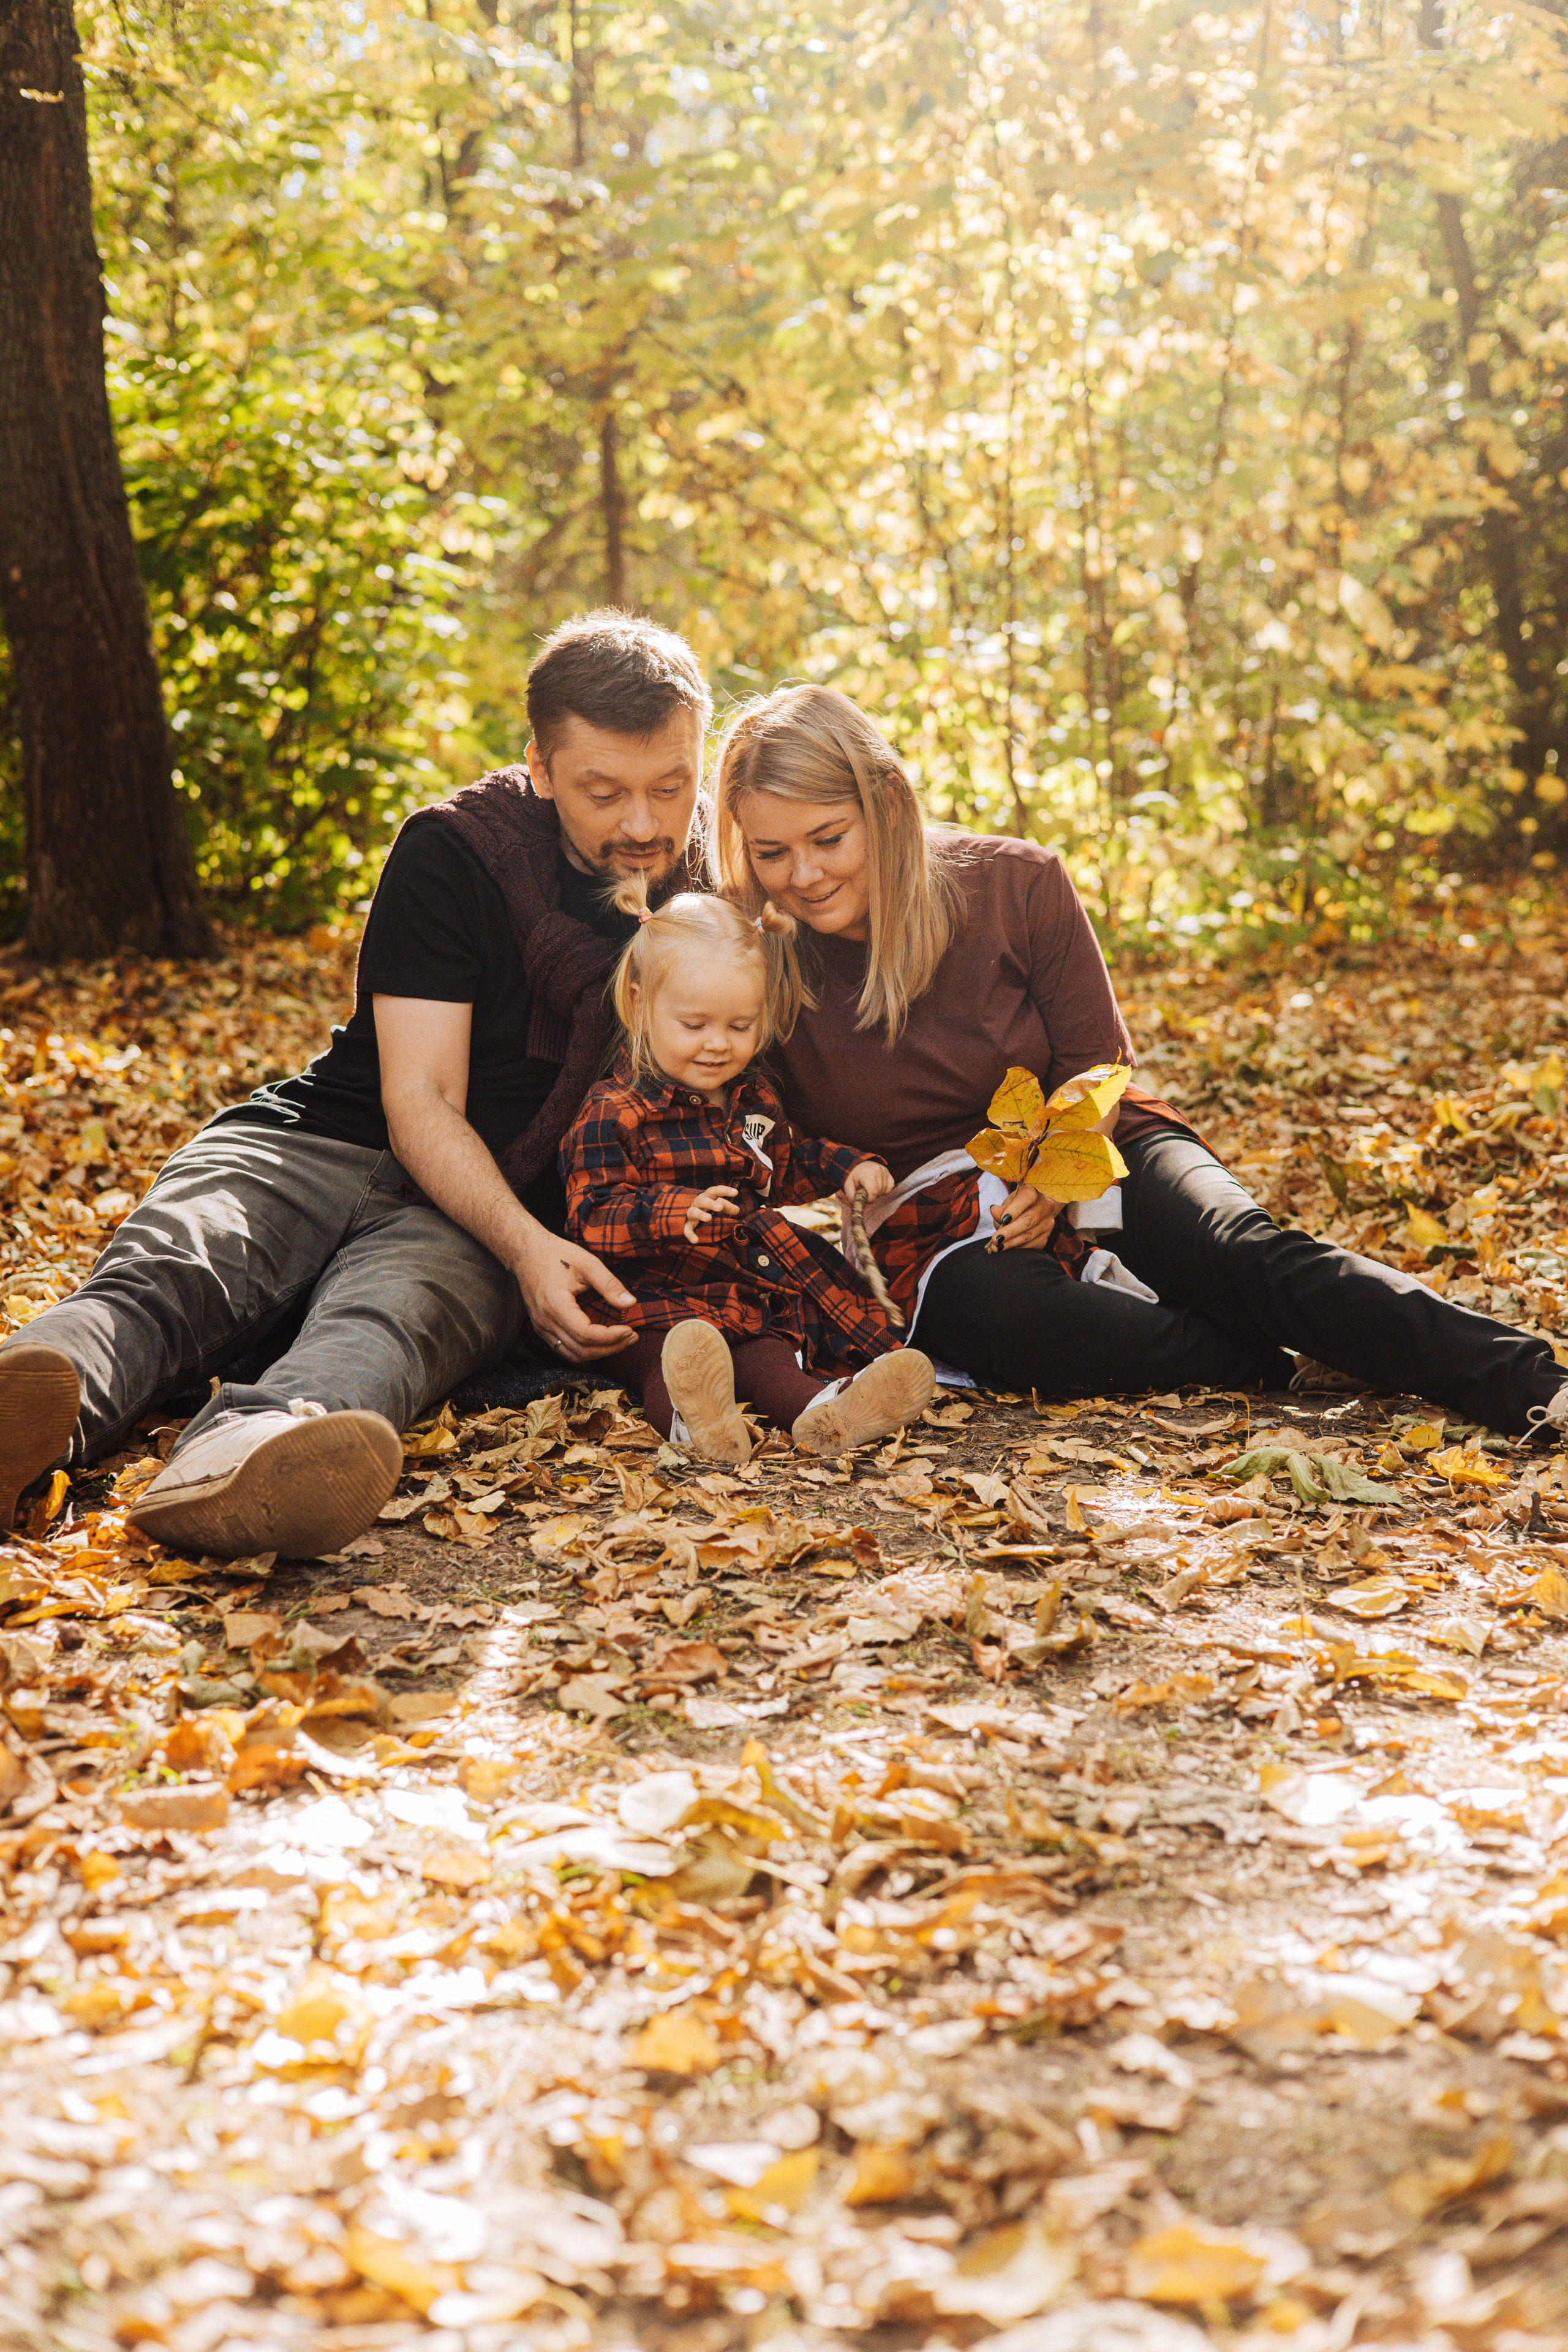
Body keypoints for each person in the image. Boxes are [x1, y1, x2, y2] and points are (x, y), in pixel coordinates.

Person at [0, 611, 712, 1556]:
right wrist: (530, 1250)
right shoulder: (454, 852)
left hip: (471, 1208)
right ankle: (33, 1393)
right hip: (324, 1137)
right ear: (540, 768)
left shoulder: (714, 894)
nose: (643, 823)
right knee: (176, 1270)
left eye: (671, 786)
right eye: (604, 790)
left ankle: (245, 1465)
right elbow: (421, 1099)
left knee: (387, 1329)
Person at [710, 682, 1568, 1442]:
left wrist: (1055, 1177)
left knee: (1239, 1248)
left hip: (1093, 1139)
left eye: (827, 838)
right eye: (771, 852)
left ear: (887, 803)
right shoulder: (756, 958)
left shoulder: (1016, 883)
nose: (804, 876)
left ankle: (1529, 1382)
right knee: (1007, 1322)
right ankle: (1257, 1355)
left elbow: (1095, 1059)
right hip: (936, 1222)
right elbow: (757, 1135)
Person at [560, 884, 936, 1466]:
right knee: (678, 1361)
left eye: (740, 1026)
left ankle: (827, 1415)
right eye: (695, 1024)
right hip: (647, 1301)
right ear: (639, 1006)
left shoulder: (753, 1098)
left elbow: (786, 1166)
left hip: (737, 1292)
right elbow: (591, 1217)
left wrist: (848, 1166)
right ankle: (698, 1428)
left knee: (768, 1357)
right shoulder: (615, 1109)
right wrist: (672, 1211)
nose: (718, 1044)